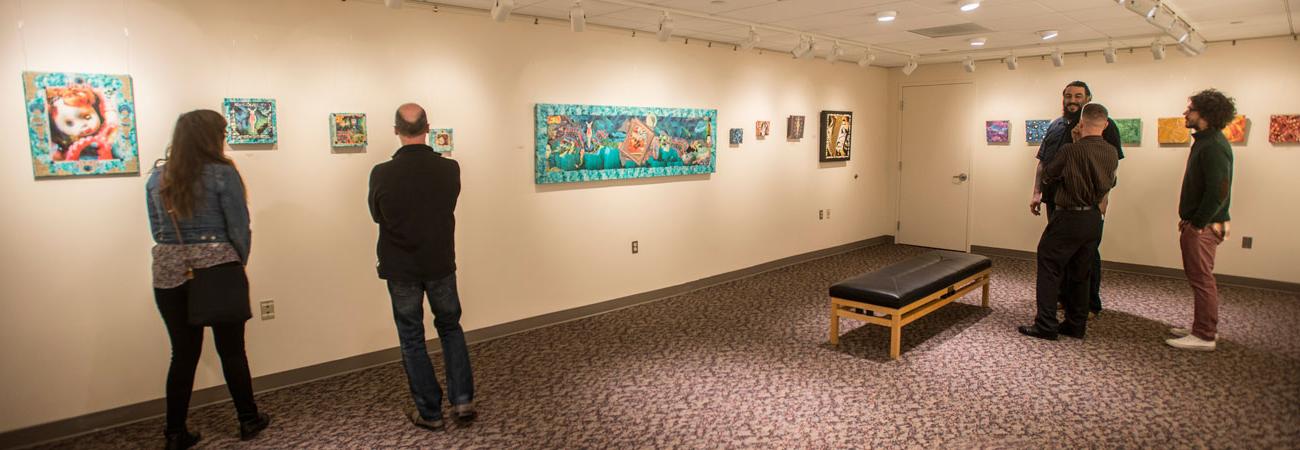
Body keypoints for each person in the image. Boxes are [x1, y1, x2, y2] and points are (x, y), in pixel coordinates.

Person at [145, 110, 271, 450]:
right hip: (218, 268)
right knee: (232, 350)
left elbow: (157, 230)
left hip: (169, 272)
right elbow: (238, 228)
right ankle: (248, 419)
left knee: (182, 354)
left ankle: (175, 432)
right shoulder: (221, 173)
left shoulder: (157, 178)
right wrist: (235, 263)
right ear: (211, 136)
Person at [368, 103, 477, 431]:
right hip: (440, 261)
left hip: (401, 266)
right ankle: (463, 400)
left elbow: (377, 214)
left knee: (411, 336)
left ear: (395, 130)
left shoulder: (382, 173)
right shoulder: (450, 169)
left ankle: (430, 412)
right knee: (450, 327)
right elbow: (447, 204)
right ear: (428, 128)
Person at [1019, 103, 1119, 340]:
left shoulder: (1069, 151)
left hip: (1068, 216)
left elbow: (1050, 175)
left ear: (1081, 124)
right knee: (1081, 272)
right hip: (1093, 217)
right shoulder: (1111, 152)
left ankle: (1045, 324)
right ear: (1105, 125)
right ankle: (1076, 324)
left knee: (1049, 265)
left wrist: (1072, 147)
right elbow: (1110, 182)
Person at [1167, 89, 1236, 351]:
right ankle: (1203, 327)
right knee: (1200, 277)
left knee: (1202, 279)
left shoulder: (1214, 145)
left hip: (1204, 226)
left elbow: (1219, 190)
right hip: (1202, 223)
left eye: (1190, 109)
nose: (1186, 113)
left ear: (1205, 114)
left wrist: (1196, 223)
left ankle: (1205, 335)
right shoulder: (1207, 141)